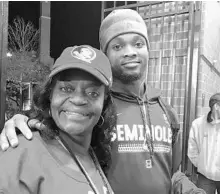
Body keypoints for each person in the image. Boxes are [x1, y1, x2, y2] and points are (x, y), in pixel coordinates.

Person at [1, 9, 205, 194]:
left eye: (138, 43)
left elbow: (171, 174)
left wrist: (189, 190)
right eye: (117, 46)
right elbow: (55, 131)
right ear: (105, 55)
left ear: (148, 49)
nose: (130, 52)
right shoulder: (96, 112)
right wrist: (23, 121)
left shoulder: (165, 110)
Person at [0, 45, 116, 194]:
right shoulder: (19, 154)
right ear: (50, 95)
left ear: (104, 104)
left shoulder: (95, 154)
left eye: (93, 93)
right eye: (66, 89)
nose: (78, 99)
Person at [188, 93, 220, 194]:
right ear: (216, 107)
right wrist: (202, 165)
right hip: (205, 178)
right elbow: (192, 149)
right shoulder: (198, 124)